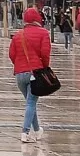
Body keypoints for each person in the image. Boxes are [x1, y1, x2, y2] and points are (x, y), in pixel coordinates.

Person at [8, 7, 50, 143]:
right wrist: (44, 68)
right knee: (31, 103)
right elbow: (45, 54)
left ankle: (37, 130)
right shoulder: (43, 33)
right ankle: (25, 133)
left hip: (20, 74)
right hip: (35, 73)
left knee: (30, 103)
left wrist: (20, 65)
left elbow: (12, 54)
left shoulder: (18, 35)